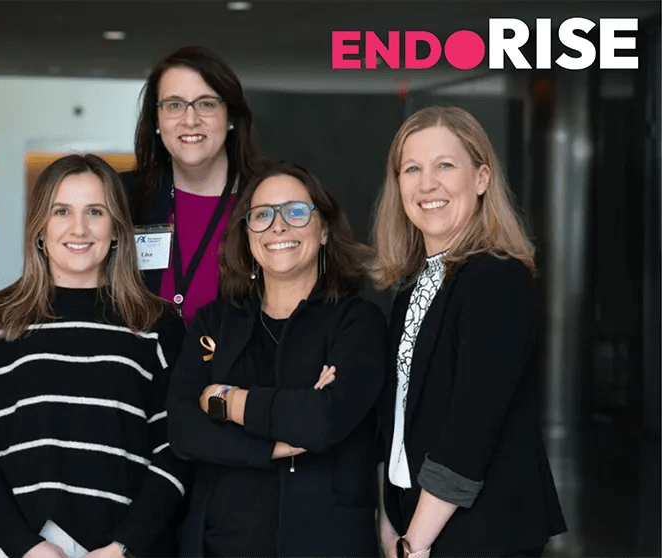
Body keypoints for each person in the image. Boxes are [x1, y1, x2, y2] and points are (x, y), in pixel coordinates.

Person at [0, 154, 190, 558]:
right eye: (61, 211)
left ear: (116, 229)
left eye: (95, 211)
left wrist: (123, 546)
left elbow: (176, 449)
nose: (79, 228)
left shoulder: (157, 324)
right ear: (40, 228)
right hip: (15, 550)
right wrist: (24, 546)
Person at [370, 106, 567, 558]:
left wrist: (415, 543)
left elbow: (471, 428)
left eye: (445, 165)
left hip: (479, 531)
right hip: (417, 524)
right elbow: (395, 418)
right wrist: (389, 521)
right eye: (412, 169)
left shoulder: (497, 279)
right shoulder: (413, 288)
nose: (427, 184)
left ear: (481, 178)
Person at [167, 161, 387, 557]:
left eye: (296, 211)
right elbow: (184, 429)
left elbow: (321, 421)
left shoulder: (358, 322)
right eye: (263, 215)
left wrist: (226, 400)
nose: (278, 227)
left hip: (328, 546)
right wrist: (276, 444)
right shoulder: (215, 321)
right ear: (247, 233)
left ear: (324, 230)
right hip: (219, 546)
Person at [121, 45, 263, 326]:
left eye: (206, 104)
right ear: (156, 119)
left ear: (230, 115)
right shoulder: (123, 196)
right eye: (174, 105)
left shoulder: (267, 199)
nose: (190, 120)